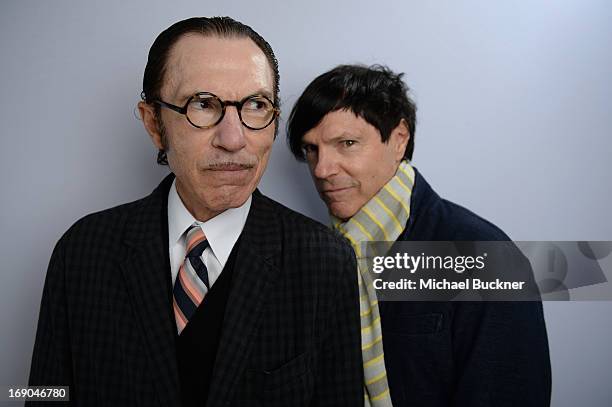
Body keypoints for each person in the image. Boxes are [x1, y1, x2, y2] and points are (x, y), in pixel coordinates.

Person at [28, 18, 363, 407]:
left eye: (256, 105)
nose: (234, 138)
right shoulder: (81, 253)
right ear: (155, 124)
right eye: (203, 105)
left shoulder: (325, 261)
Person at [287, 64, 552, 407]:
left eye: (347, 143)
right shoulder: (316, 256)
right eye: (312, 150)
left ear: (399, 139)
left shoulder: (486, 258)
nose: (322, 170)